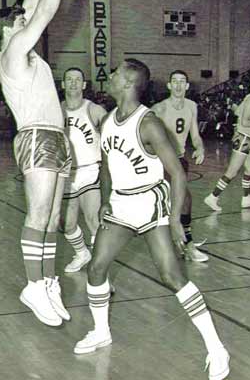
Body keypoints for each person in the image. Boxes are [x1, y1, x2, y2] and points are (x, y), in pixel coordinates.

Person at [74, 59, 230, 380]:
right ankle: (101, 331)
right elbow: (107, 165)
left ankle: (216, 349)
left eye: (116, 73)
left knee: (172, 277)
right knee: (96, 267)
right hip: (120, 204)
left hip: (150, 203)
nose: (111, 76)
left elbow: (177, 174)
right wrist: (105, 201)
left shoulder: (149, 123)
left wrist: (174, 219)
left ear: (129, 82)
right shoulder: (107, 122)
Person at [0, 0, 72, 326]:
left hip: (56, 137)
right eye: (20, 20)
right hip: (37, 137)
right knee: (38, 214)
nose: (28, 19)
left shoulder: (19, 45)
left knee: (53, 217)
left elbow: (29, 6)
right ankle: (32, 285)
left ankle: (48, 280)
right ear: (8, 29)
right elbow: (41, 13)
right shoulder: (12, 52)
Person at [151, 70, 208, 262]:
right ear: (169, 85)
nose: (178, 85)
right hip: (163, 161)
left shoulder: (191, 106)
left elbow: (195, 135)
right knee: (183, 199)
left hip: (181, 159)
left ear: (187, 86)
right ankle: (188, 245)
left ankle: (179, 241)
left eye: (182, 81)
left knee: (177, 202)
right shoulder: (160, 108)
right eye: (174, 81)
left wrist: (200, 148)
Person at [61, 67, 107, 273]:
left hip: (90, 171)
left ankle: (100, 271)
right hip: (65, 175)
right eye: (68, 79)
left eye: (77, 79)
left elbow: (112, 138)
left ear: (84, 85)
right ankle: (82, 253)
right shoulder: (54, 110)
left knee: (93, 220)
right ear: (62, 84)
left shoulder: (95, 110)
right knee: (67, 224)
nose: (73, 83)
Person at [204, 74, 250, 212]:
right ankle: (213, 196)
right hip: (244, 138)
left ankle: (246, 199)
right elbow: (245, 121)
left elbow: (239, 112)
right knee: (232, 171)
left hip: (248, 139)